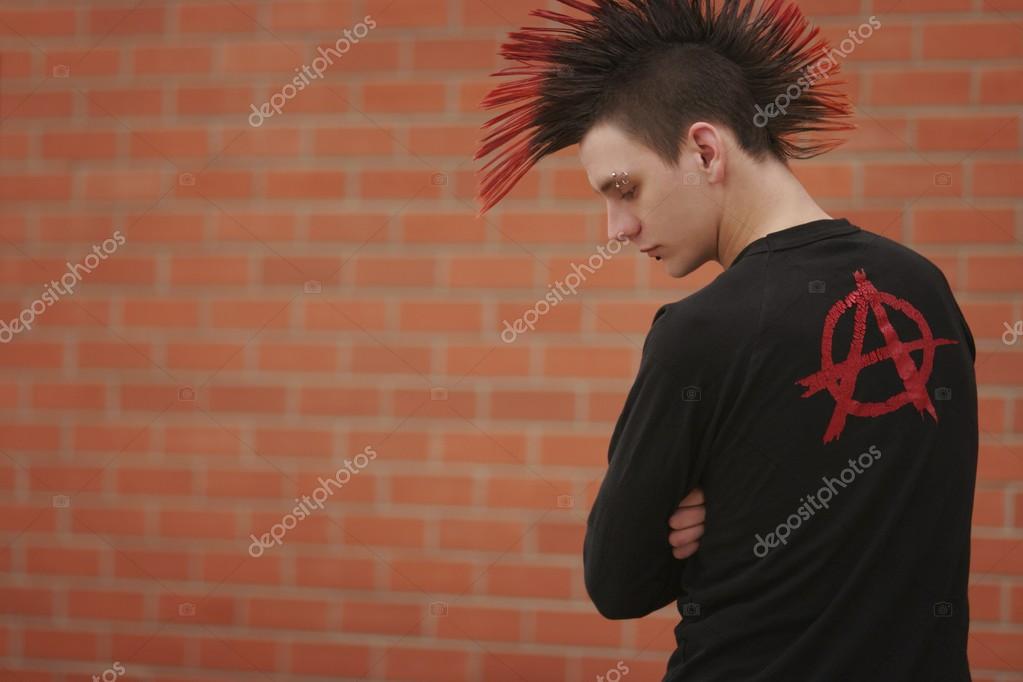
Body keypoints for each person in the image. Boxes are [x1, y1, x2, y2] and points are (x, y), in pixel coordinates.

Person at [474, 1, 978, 680]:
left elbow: (618, 583)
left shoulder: (699, 332)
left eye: (625, 188)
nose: (616, 227)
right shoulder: (924, 288)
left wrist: (705, 518)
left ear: (704, 151)